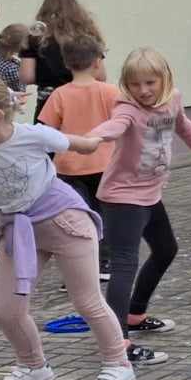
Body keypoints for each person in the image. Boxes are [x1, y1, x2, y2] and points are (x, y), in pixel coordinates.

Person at [0, 76, 135, 380]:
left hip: (65, 221)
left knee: (87, 300)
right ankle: (33, 367)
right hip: (18, 228)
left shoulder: (32, 136)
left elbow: (84, 144)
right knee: (4, 309)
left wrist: (114, 132)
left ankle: (118, 364)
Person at [88, 48, 191, 355]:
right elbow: (114, 126)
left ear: (164, 80)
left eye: (150, 83)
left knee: (166, 249)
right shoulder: (127, 108)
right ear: (126, 85)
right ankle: (117, 342)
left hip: (150, 192)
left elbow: (186, 129)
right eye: (135, 84)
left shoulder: (172, 100)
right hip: (122, 197)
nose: (143, 91)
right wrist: (94, 138)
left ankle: (135, 315)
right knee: (125, 263)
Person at [36, 36, 122, 271]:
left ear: (66, 63)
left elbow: (45, 132)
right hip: (105, 164)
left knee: (77, 220)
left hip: (68, 168)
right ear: (97, 62)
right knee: (105, 216)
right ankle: (104, 264)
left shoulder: (60, 94)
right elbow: (123, 124)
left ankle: (79, 269)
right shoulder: (110, 91)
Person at [24, 0, 106, 119]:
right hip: (82, 101)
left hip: (47, 104)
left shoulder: (33, 38)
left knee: (48, 138)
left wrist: (46, 77)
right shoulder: (88, 35)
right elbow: (100, 76)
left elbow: (27, 77)